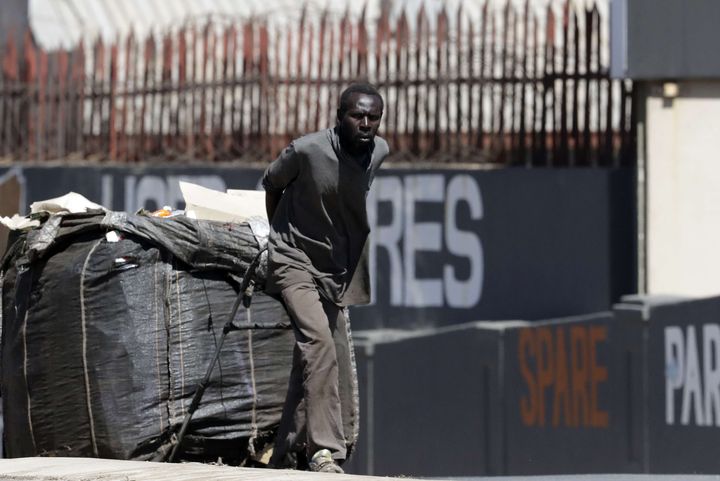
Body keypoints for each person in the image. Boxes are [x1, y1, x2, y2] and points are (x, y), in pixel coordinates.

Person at [262, 82, 388, 473]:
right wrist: (281, 237)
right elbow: (271, 184)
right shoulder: (307, 150)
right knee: (319, 344)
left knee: (311, 362)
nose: (366, 123)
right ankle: (324, 453)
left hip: (333, 269)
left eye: (373, 117)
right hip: (292, 260)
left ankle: (283, 457)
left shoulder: (379, 152)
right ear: (340, 116)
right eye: (357, 115)